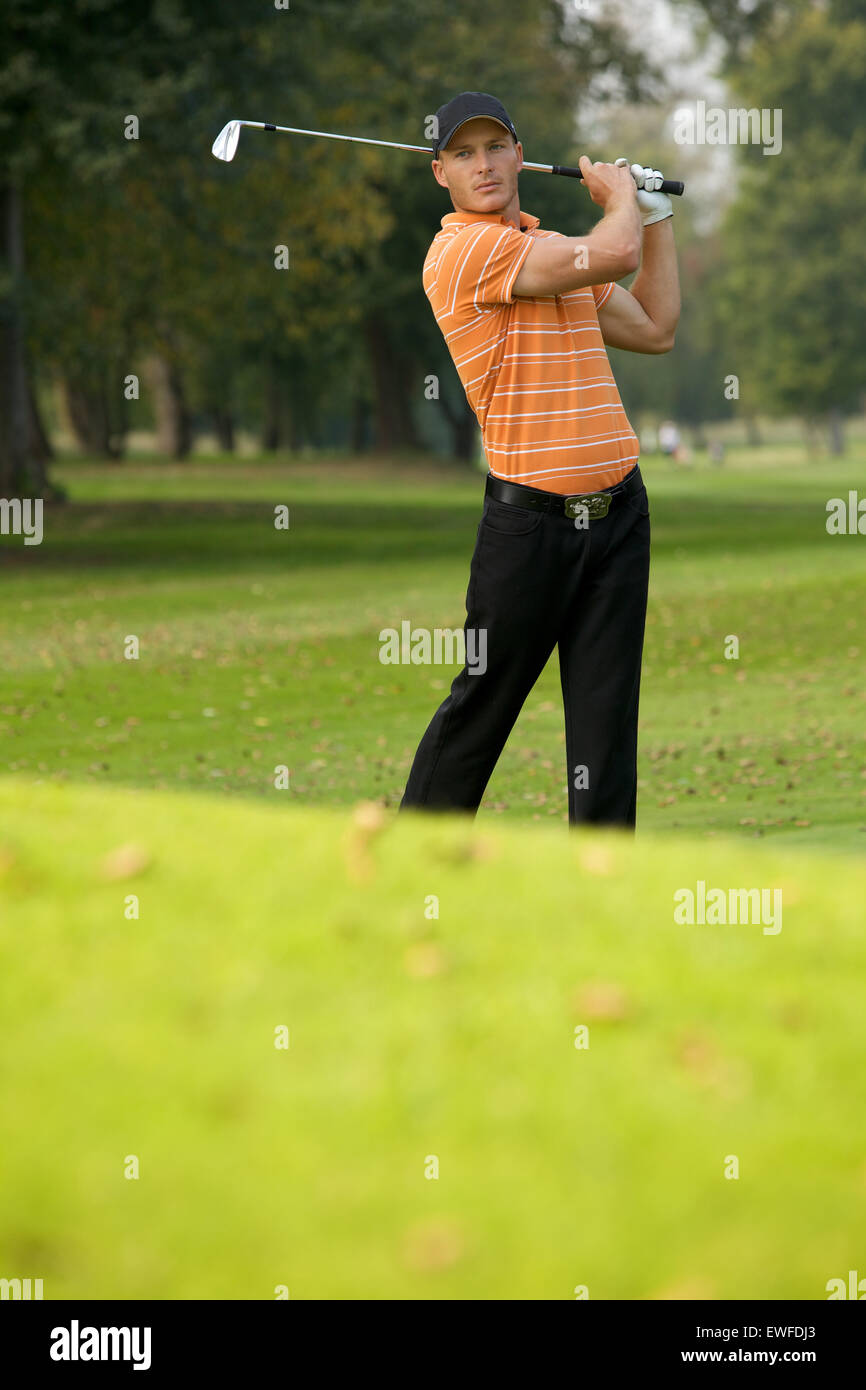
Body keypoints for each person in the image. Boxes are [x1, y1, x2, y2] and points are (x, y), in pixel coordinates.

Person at [399, 92, 680, 829]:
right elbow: (613, 253)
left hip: (619, 516)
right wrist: (620, 199)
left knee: (606, 726)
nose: (483, 164)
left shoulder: (550, 247)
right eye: (463, 153)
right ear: (441, 175)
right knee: (481, 709)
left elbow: (654, 328)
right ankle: (409, 867)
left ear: (520, 154)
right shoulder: (463, 252)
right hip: (529, 532)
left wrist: (655, 215)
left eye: (496, 146)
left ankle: (600, 885)